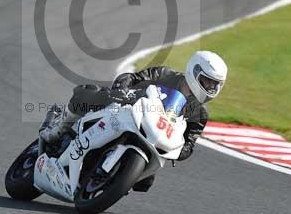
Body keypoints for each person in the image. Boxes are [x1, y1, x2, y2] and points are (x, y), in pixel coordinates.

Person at [39, 51, 228, 192]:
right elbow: (132, 77)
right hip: (128, 112)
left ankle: (112, 182)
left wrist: (179, 151)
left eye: (215, 85)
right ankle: (59, 127)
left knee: (145, 182)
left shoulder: (200, 114)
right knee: (91, 94)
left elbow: (189, 144)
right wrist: (122, 89)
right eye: (207, 81)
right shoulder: (165, 74)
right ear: (194, 72)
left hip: (153, 138)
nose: (210, 87)